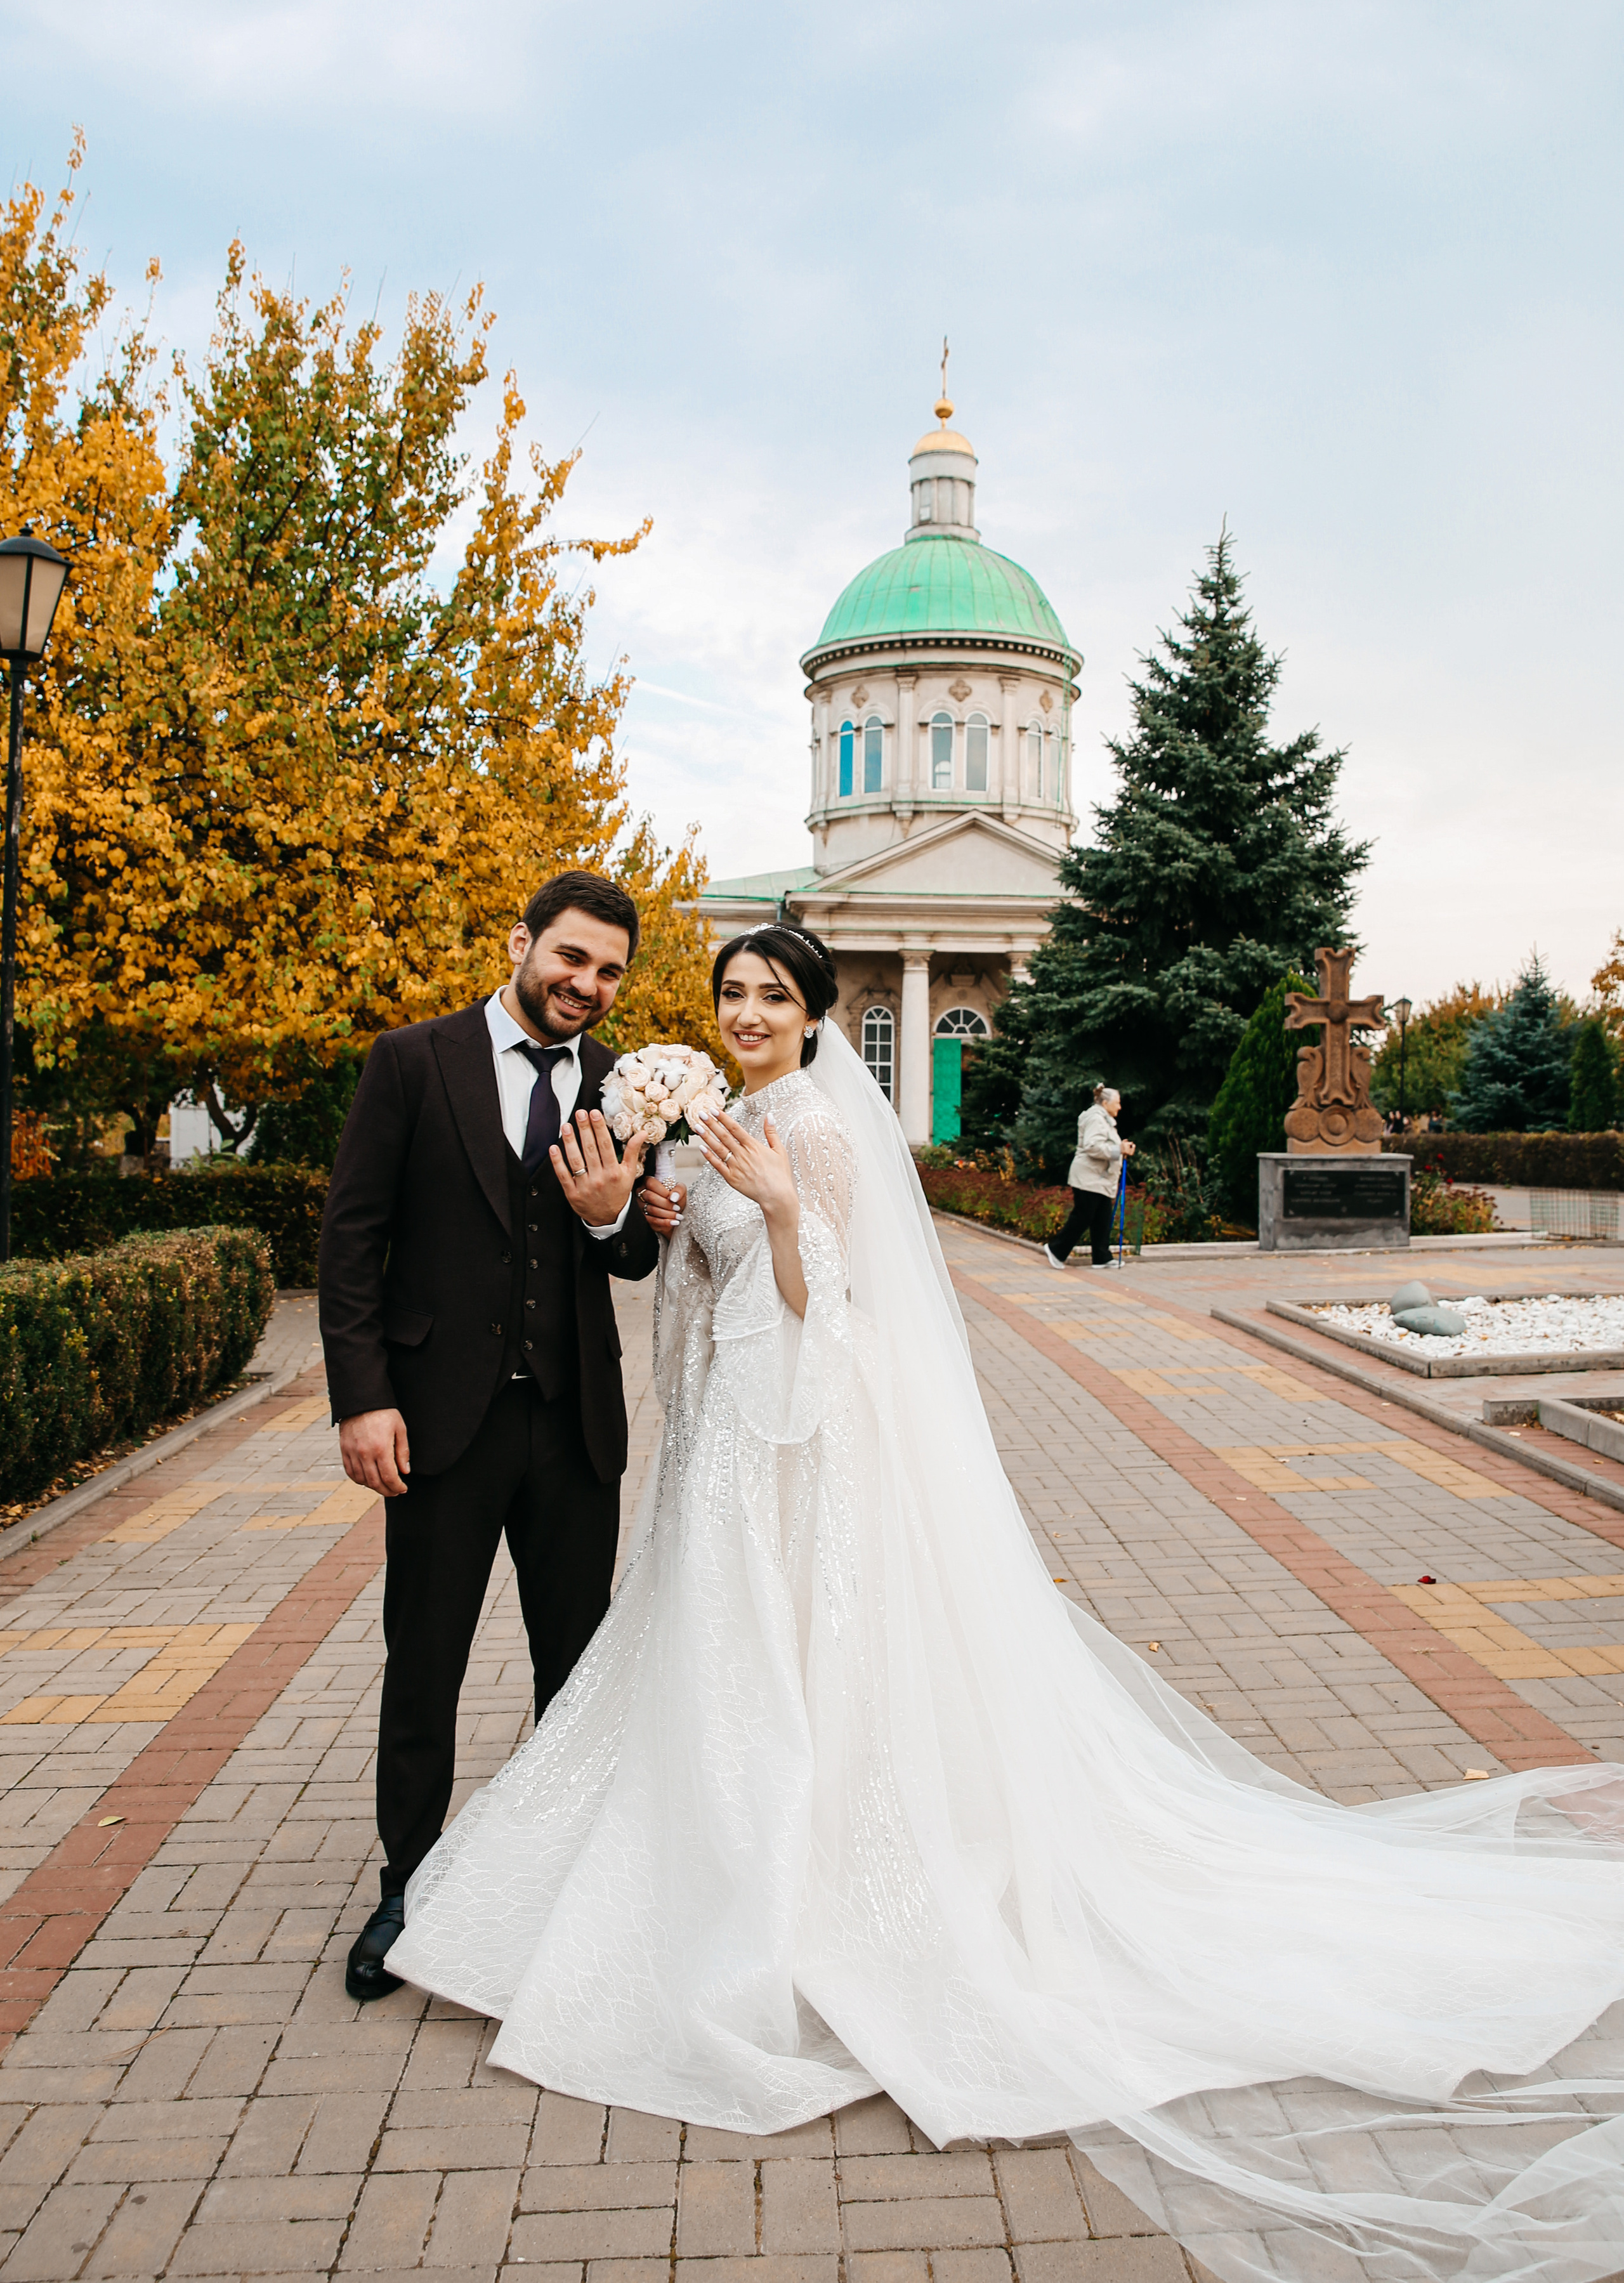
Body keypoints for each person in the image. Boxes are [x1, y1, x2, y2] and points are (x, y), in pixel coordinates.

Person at [384, 921, 1624, 2283]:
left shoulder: (817, 1134)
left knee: (799, 1666)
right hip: (726, 1444)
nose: (745, 1014)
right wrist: (671, 1219)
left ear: (810, 1014)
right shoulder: (726, 1118)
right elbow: (695, 1282)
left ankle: (799, 1900)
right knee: (724, 1662)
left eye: (771, 998)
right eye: (730, 994)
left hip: (796, 1446)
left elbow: (828, 1311)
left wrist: (780, 1211)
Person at [318, 870, 660, 2003]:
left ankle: (561, 1886)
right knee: (426, 1667)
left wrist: (615, 1212)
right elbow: (351, 1242)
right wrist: (362, 1399)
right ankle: (406, 1892)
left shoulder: (623, 1087)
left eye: (609, 971)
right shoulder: (413, 1063)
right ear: (522, 943)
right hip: (437, 1424)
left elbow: (633, 1260)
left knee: (575, 1672)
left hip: (573, 1426)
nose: (588, 985)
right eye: (571, 958)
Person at [1045, 1083, 1135, 1268]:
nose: (1120, 1107)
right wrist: (1119, 1149)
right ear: (1105, 1103)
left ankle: (1101, 1257)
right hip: (1089, 1177)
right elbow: (1092, 1146)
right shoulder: (1096, 1118)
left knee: (1102, 1216)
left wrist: (1121, 1148)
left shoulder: (1104, 1119)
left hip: (1098, 1177)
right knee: (1083, 1216)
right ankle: (1056, 1250)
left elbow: (1104, 1144)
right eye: (1117, 1103)